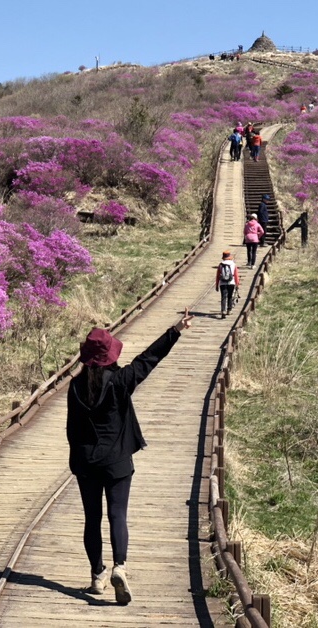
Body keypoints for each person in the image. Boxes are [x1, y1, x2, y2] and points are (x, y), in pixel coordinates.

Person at [67, 309, 193, 603]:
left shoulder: (75, 386)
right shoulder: (121, 381)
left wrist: (78, 459)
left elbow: (71, 428)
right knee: (117, 514)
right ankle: (119, 566)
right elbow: (148, 360)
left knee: (92, 518)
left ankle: (97, 576)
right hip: (117, 461)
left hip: (86, 462)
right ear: (110, 356)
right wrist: (174, 331)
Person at [215, 251, 240, 319]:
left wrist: (217, 285)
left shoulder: (220, 265)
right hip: (231, 282)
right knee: (230, 296)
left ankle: (223, 310)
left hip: (222, 283)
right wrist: (237, 284)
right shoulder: (233, 264)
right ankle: (229, 310)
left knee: (223, 297)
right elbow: (236, 275)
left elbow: (217, 276)